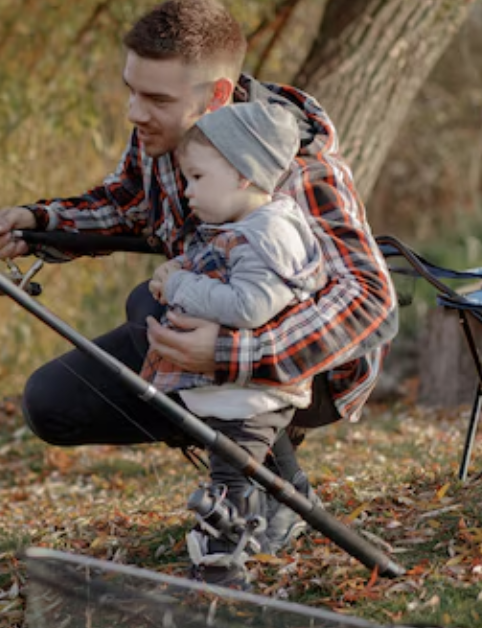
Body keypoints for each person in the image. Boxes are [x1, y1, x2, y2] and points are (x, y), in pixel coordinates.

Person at [0, 0, 397, 580]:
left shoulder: (294, 164)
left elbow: (370, 299)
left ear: (217, 96)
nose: (135, 112)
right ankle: (280, 484)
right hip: (213, 333)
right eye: (131, 90)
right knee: (51, 404)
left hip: (317, 373)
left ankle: (241, 491)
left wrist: (232, 354)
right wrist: (40, 222)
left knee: (148, 304)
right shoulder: (163, 138)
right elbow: (126, 205)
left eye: (157, 100)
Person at [140, 101, 325, 586]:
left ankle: (222, 561)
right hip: (240, 391)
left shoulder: (270, 234)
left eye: (198, 177)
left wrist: (180, 289)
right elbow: (217, 268)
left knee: (230, 477)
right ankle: (298, 504)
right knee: (269, 459)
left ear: (243, 175)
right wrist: (178, 270)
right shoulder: (243, 227)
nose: (187, 189)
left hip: (248, 393)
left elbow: (249, 305)